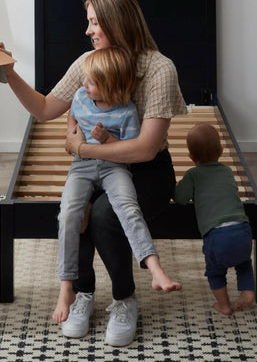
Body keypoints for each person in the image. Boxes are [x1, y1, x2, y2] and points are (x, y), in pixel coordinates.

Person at [0, 0, 187, 346]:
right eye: (89, 22)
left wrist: (82, 148)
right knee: (77, 207)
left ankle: (124, 298)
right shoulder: (88, 63)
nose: (88, 31)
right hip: (96, 159)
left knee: (103, 215)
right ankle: (82, 292)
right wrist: (9, 73)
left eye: (95, 22)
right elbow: (45, 108)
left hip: (146, 170)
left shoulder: (160, 69)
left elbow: (145, 148)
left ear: (117, 23)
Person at [53, 46, 181, 324]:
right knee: (69, 215)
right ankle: (68, 289)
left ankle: (154, 268)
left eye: (91, 82)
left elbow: (130, 147)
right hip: (82, 167)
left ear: (111, 86)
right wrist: (72, 136)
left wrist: (107, 140)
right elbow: (71, 114)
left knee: (127, 208)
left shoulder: (128, 111)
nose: (84, 84)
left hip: (114, 167)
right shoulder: (80, 96)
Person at [173, 123, 255, 316]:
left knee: (215, 272)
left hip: (217, 235)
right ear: (221, 150)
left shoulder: (193, 174)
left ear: (192, 157)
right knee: (243, 262)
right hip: (242, 228)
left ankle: (223, 305)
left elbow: (180, 199)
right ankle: (247, 291)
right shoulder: (227, 171)